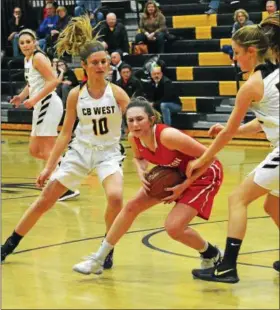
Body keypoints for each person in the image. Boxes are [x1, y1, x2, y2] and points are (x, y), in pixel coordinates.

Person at [1, 16, 130, 267]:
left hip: (108, 152)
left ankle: (107, 249)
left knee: (115, 197)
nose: (101, 66)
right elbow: (64, 134)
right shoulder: (75, 95)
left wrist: (146, 158)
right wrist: (49, 167)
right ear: (84, 66)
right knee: (45, 199)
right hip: (80, 151)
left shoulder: (117, 93)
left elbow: (139, 124)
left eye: (104, 62)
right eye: (95, 63)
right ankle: (8, 245)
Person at [72, 97, 224, 275]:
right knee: (131, 207)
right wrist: (141, 172)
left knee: (174, 228)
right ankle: (98, 259)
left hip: (204, 174)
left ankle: (212, 254)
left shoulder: (168, 136)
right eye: (130, 120)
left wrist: (184, 186)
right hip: (175, 174)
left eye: (139, 119)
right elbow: (139, 158)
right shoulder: (133, 138)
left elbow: (210, 157)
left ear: (151, 119)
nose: (135, 124)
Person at [187, 20, 279, 283]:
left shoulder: (251, 86)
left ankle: (227, 267)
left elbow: (227, 133)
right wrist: (236, 129)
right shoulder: (275, 74)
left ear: (251, 51)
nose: (235, 58)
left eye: (237, 53)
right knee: (273, 204)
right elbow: (265, 121)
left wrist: (204, 159)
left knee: (236, 199)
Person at [9, 29, 63, 162]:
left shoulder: (38, 57)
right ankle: (66, 165)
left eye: (28, 42)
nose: (25, 45)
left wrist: (33, 99)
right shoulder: (27, 59)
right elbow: (31, 84)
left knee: (46, 150)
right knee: (34, 151)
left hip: (48, 104)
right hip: (40, 106)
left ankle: (58, 178)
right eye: (22, 43)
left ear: (34, 42)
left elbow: (54, 81)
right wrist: (21, 97)